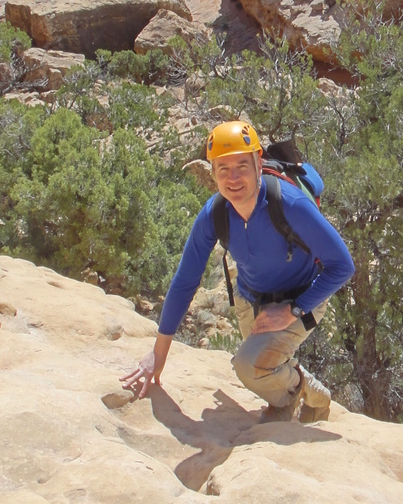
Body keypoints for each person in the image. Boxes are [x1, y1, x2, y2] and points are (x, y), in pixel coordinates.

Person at [122, 119, 354, 421]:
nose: (233, 178)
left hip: (302, 298)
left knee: (249, 366)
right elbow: (185, 281)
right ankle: (304, 388)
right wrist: (158, 353)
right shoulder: (215, 213)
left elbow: (342, 266)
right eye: (223, 169)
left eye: (242, 166)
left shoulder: (291, 204)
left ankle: (295, 397)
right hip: (250, 300)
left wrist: (293, 310)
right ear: (212, 172)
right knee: (261, 362)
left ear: (258, 162)